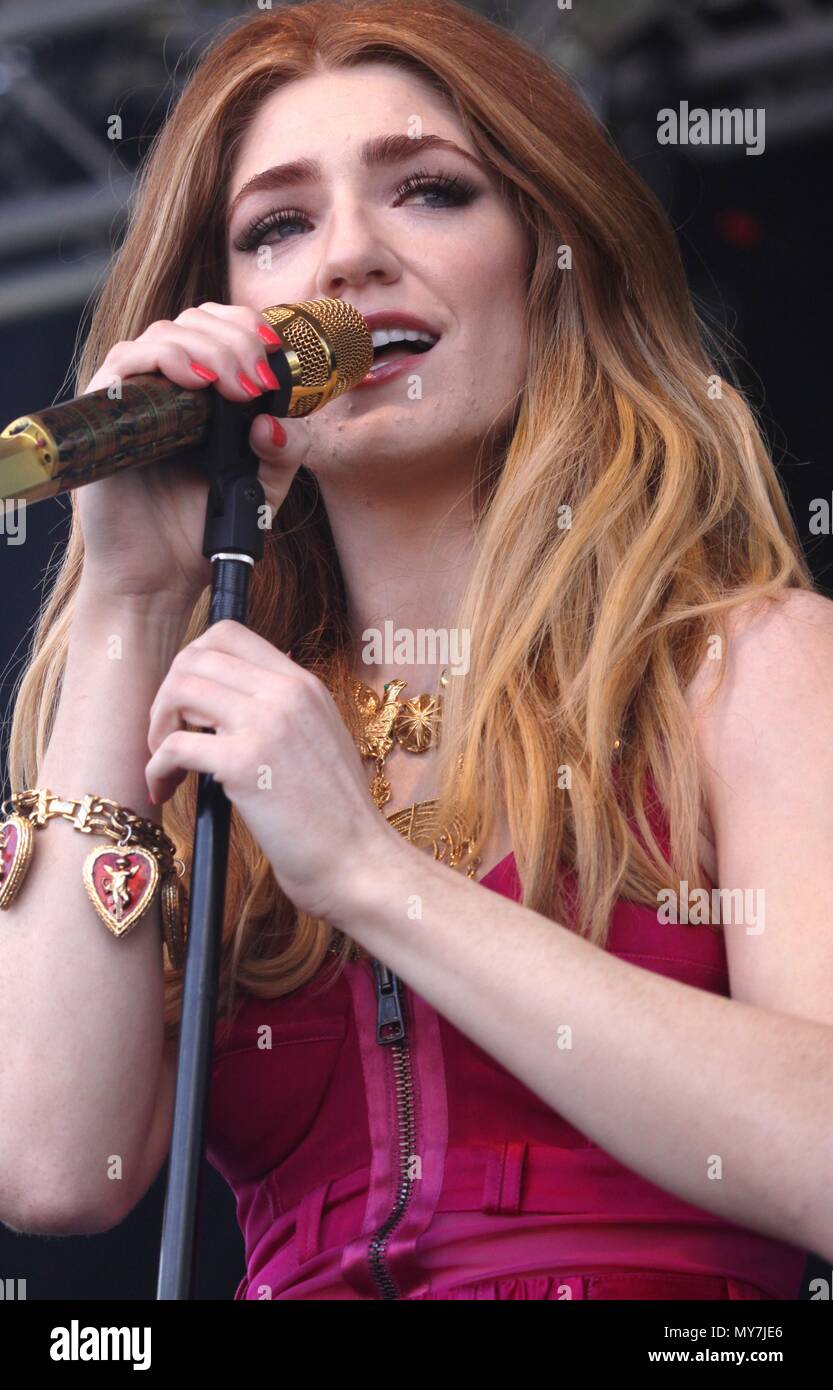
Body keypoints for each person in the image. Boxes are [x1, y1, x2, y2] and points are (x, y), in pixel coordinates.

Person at [2, 0, 832, 1302]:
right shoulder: (207, 719)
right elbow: (54, 1165)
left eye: (430, 193)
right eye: (277, 226)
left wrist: (367, 871)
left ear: (552, 261)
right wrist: (128, 596)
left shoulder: (742, 663)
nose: (347, 257)